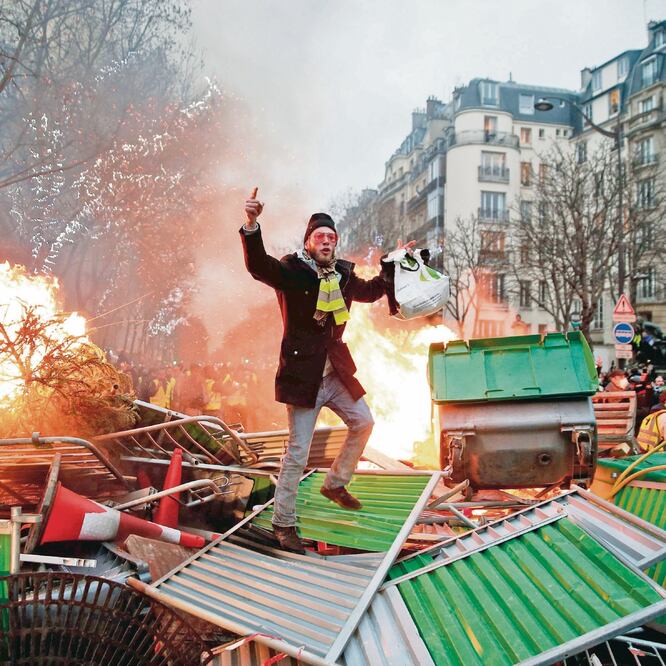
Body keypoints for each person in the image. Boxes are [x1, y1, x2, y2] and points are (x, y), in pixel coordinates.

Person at [240, 189, 412, 554]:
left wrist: (396, 261)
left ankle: (335, 483)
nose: (327, 241)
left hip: (335, 374)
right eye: (320, 236)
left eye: (332, 238)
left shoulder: (344, 276)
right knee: (298, 454)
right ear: (309, 241)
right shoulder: (291, 271)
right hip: (303, 377)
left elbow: (372, 290)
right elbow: (258, 266)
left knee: (364, 423)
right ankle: (284, 523)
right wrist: (252, 225)